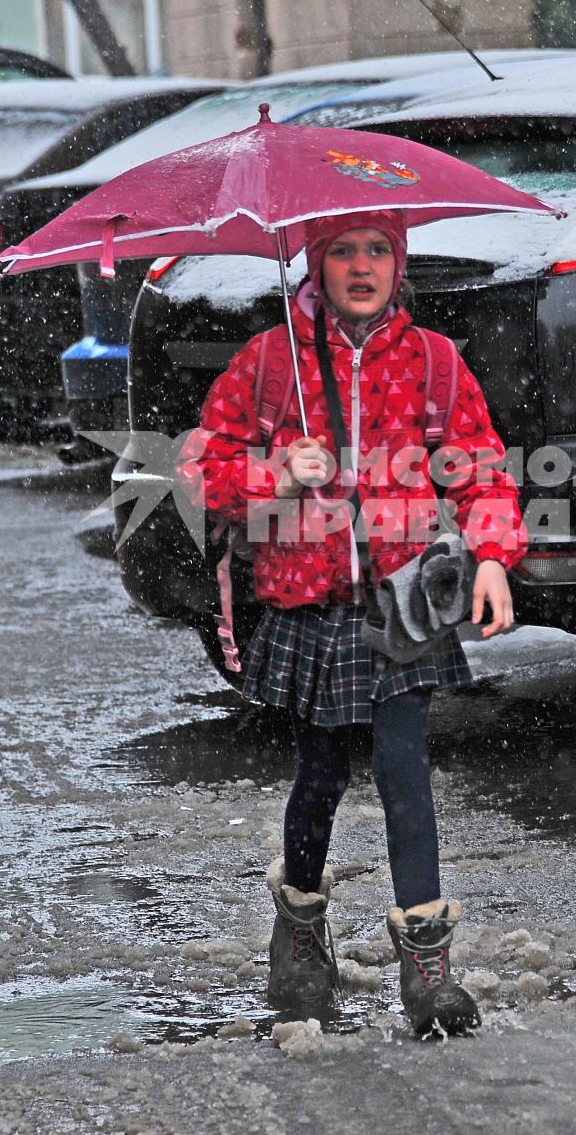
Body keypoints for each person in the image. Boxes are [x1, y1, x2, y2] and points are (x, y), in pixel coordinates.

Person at [180, 208, 526, 1038]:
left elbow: (479, 467)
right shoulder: (269, 364)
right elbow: (201, 472)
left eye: (378, 249)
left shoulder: (435, 362)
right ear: (314, 261)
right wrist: (275, 473)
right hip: (310, 605)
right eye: (343, 251)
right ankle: (300, 926)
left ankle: (428, 967)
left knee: (405, 770)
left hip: (401, 599)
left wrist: (490, 556)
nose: (362, 265)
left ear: (398, 262)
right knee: (322, 774)